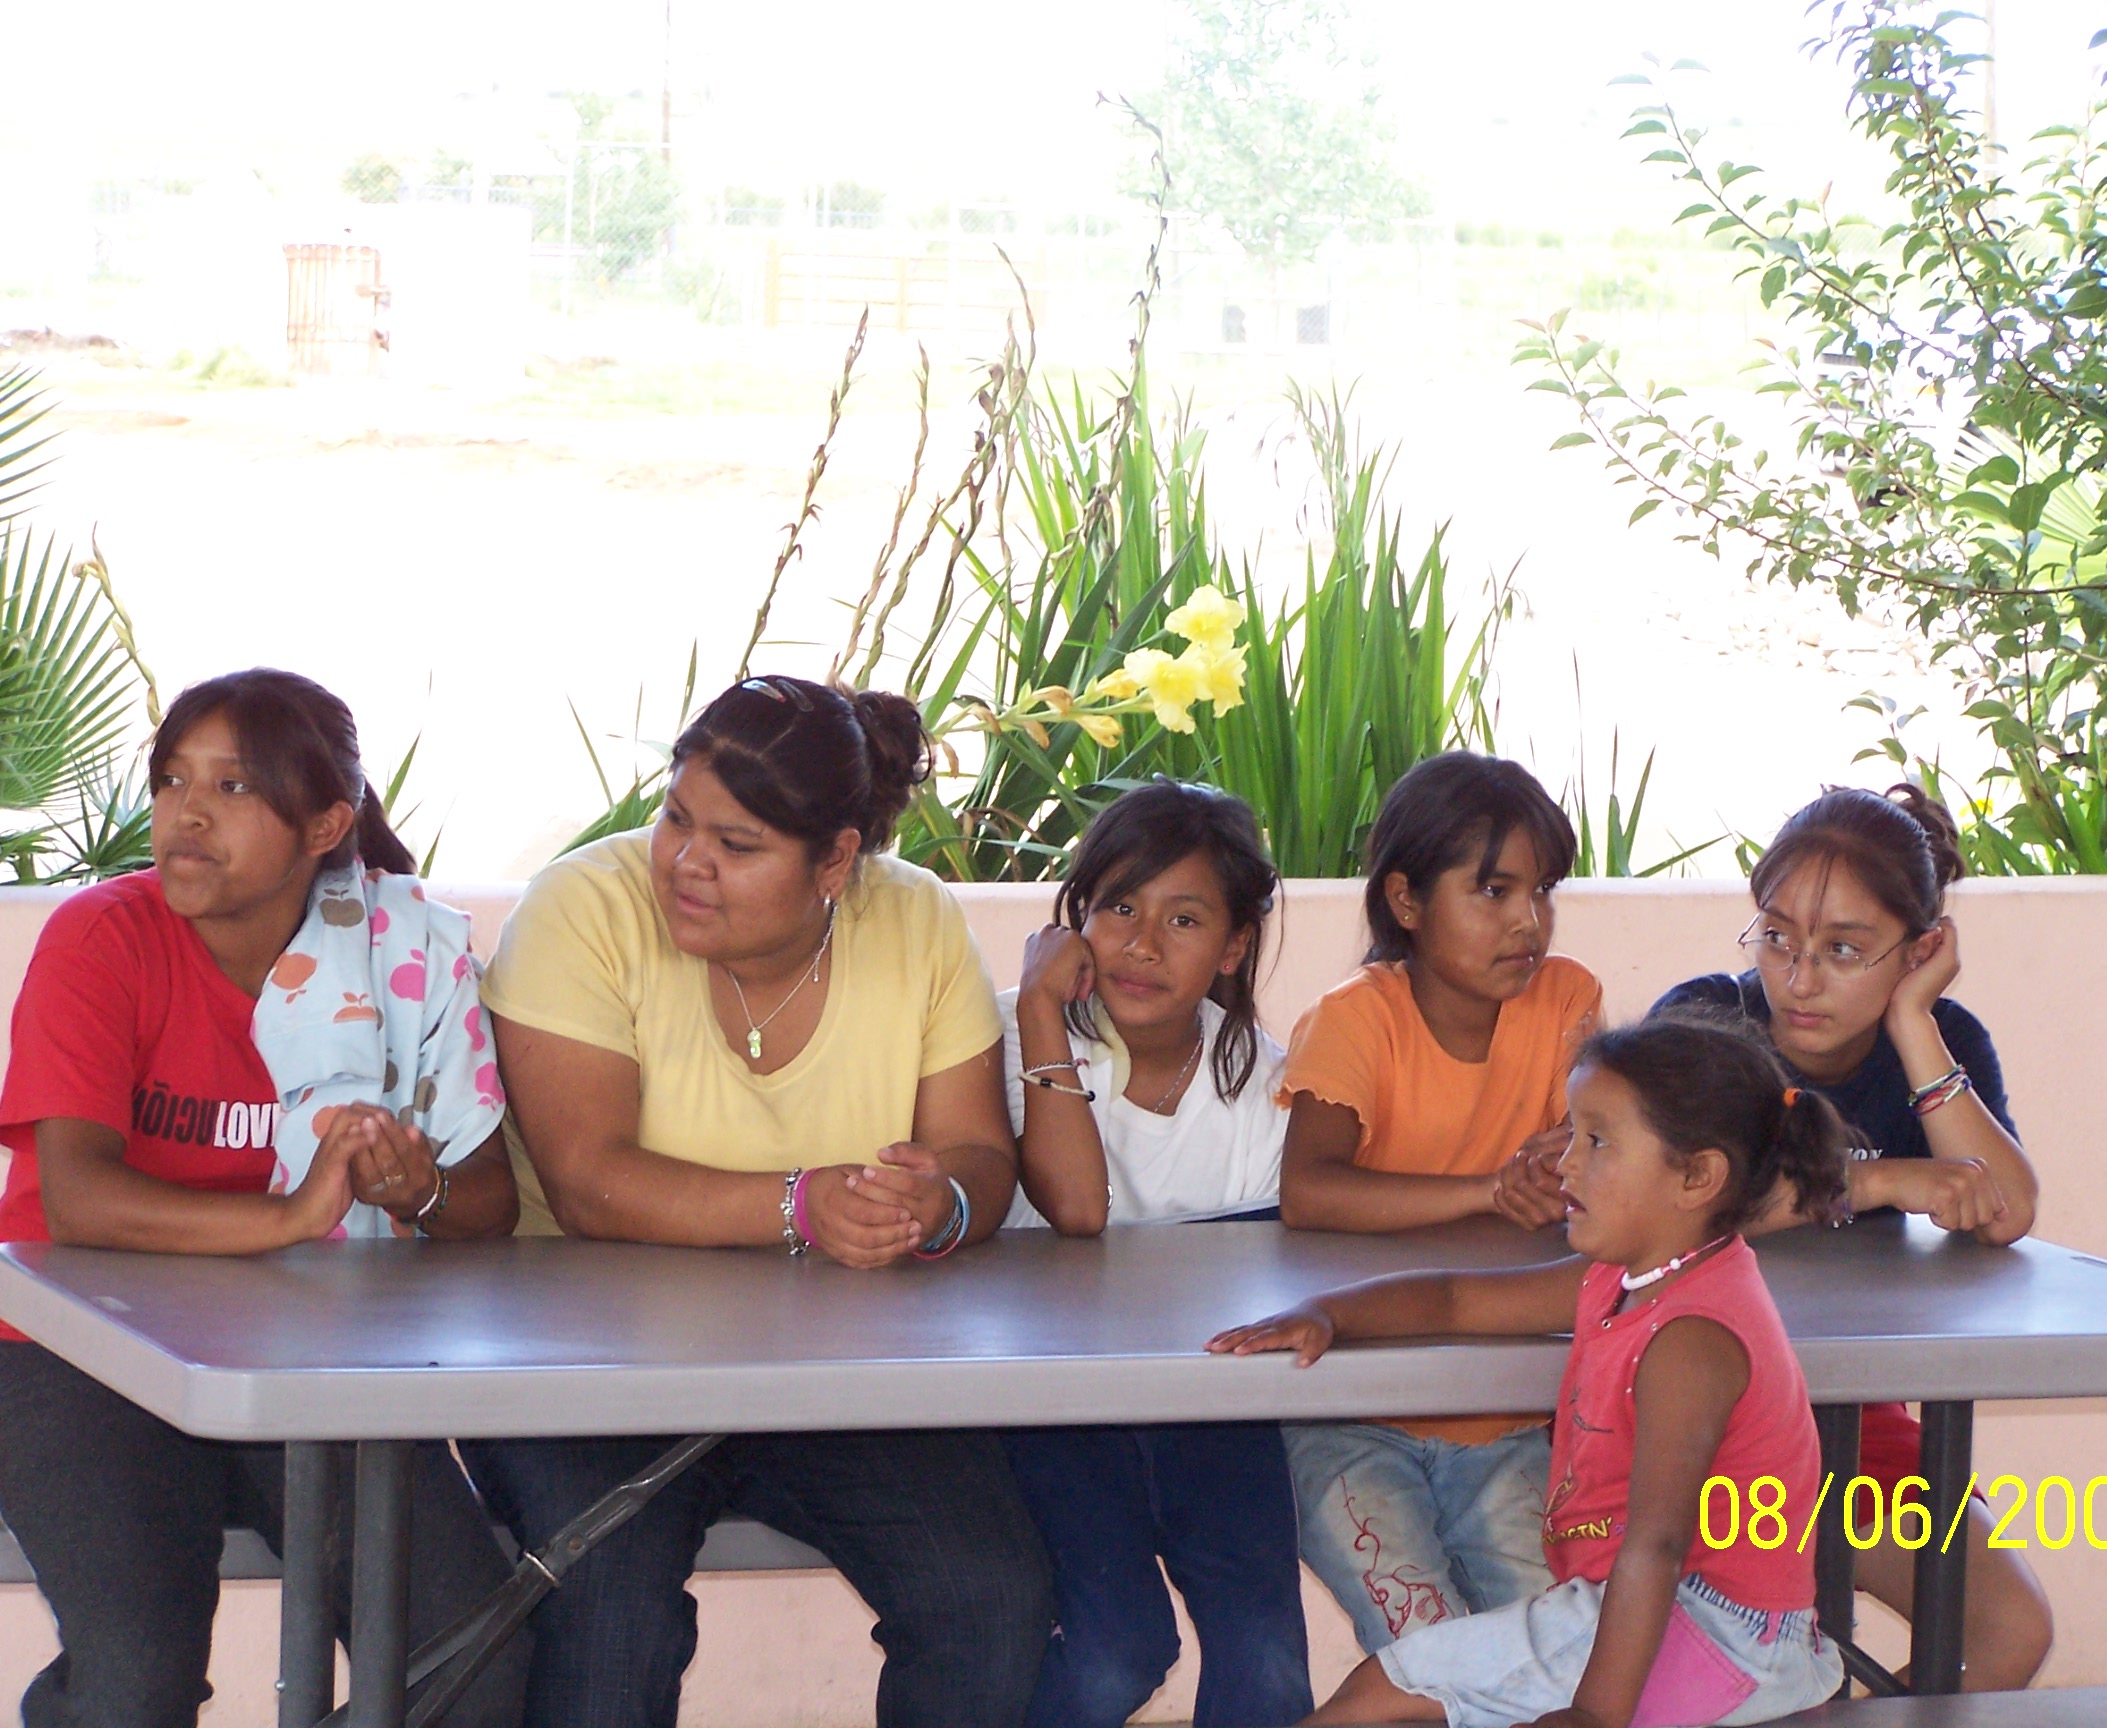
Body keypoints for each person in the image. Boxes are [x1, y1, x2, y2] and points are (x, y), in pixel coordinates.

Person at [464, 674, 1052, 1728]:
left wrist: (942, 1204)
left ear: (835, 861)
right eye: (675, 818)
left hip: (836, 1371)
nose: (686, 862)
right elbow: (588, 1182)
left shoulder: (914, 919)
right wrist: (802, 1207)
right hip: (587, 1367)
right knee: (611, 1617)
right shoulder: (583, 907)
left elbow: (978, 1155)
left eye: (737, 845)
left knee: (989, 1600)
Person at [0, 668, 524, 1728]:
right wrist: (292, 1217)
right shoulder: (103, 936)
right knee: (137, 1676)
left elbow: (488, 1208)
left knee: (472, 1657)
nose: (186, 814)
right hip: (73, 1350)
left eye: (233, 787)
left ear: (325, 824)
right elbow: (80, 1202)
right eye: (172, 779)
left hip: (309, 1355)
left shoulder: (402, 954)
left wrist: (418, 1188)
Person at [1209, 1015, 1849, 1728]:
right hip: (1684, 1613)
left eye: (1597, 1141)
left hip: (1717, 1633)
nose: (1565, 1164)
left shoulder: (1690, 1340)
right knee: (1390, 1692)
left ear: (1697, 1177)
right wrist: (1329, 1313)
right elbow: (1457, 1300)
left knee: (1384, 1701)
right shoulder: (1628, 1277)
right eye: (1573, 1134)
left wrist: (1593, 1717)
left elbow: (1657, 1544)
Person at [1652, 784, 2052, 1690]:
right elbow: (1663, 1205)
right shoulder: (1706, 1024)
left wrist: (1913, 1024)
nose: (1799, 979)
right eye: (1777, 937)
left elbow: (2007, 1209)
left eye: (1843, 950)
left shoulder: (1939, 1039)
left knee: (2009, 1629)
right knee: (1733, 1670)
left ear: (1919, 951)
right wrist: (1870, 1180)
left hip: (1850, 1419)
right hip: (1688, 1422)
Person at [997, 780, 1311, 1728]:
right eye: (1119, 908)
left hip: (1210, 1404)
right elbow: (1075, 1209)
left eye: (1184, 919)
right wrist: (1041, 1011)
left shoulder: (1263, 1084)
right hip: (1045, 1402)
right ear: (1074, 920)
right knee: (1116, 1654)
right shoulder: (1003, 1037)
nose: (1141, 945)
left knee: (1267, 1662)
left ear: (1234, 946)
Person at [1275, 752, 1602, 1654]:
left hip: (1509, 1408)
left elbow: (1590, 1168)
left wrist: (1574, 1157)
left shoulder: (1566, 999)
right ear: (1407, 901)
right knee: (1429, 1655)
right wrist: (1489, 1189)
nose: (1527, 921)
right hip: (1350, 1409)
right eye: (1493, 891)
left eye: (1542, 892)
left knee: (1560, 1657)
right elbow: (1309, 1191)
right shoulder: (1357, 1017)